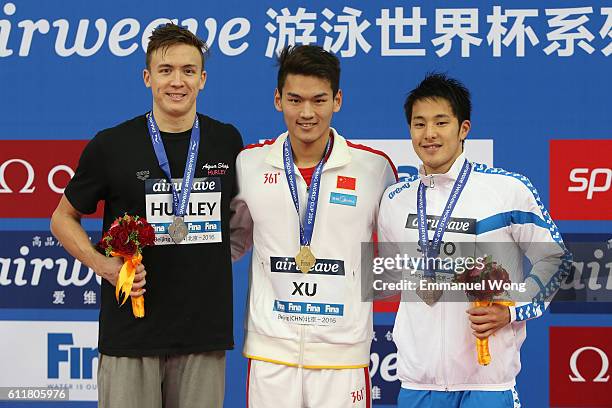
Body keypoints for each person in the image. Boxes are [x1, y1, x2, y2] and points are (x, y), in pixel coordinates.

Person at [50, 23, 243, 408]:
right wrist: (104, 265)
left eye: (188, 71)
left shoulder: (227, 140)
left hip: (202, 336)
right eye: (166, 70)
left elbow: (240, 224)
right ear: (147, 77)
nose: (177, 81)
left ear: (202, 79)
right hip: (131, 334)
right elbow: (62, 218)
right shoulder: (112, 145)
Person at [377, 73, 571, 408]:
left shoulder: (507, 190)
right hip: (417, 385)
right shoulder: (395, 200)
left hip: (487, 385)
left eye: (441, 122)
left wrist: (512, 309)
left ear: (463, 128)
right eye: (419, 123)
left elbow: (556, 258)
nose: (429, 134)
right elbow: (389, 275)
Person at [230, 45, 397, 407]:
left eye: (319, 100)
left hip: (342, 356)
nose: (307, 113)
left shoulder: (374, 169)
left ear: (337, 100)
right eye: (295, 99)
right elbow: (231, 244)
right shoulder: (249, 164)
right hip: (271, 355)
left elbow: (394, 257)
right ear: (278, 100)